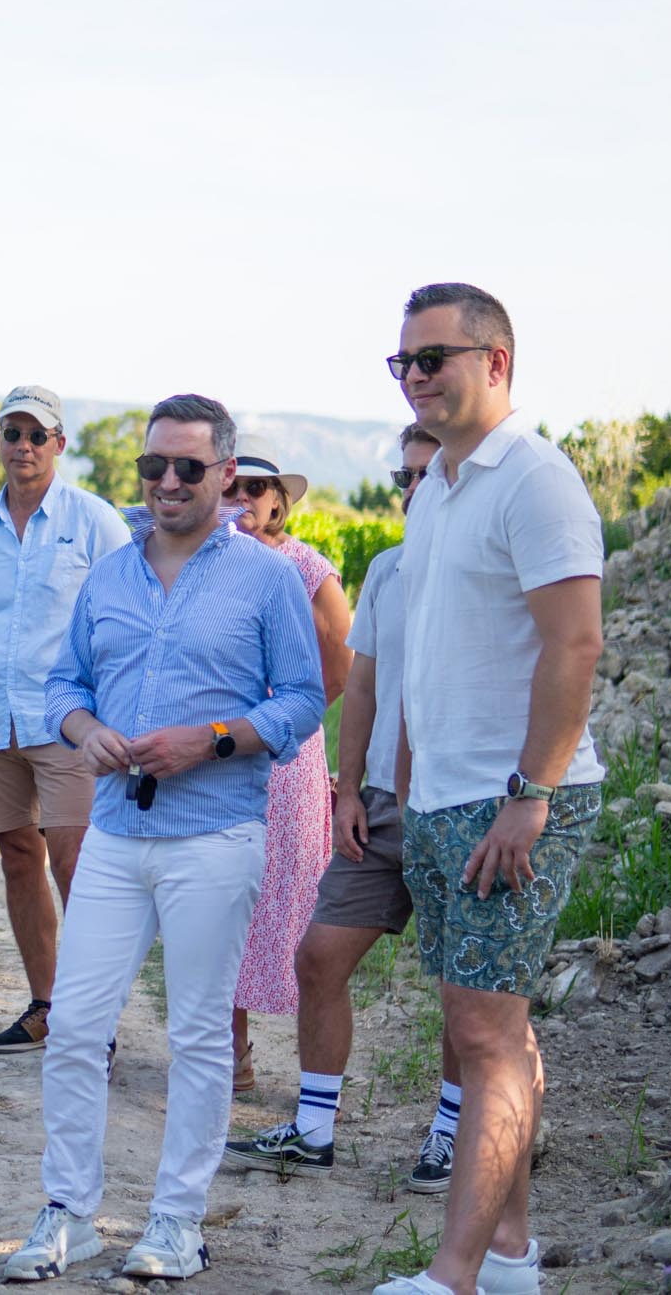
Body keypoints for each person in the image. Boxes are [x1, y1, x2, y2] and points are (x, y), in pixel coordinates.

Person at [2, 395, 324, 1283]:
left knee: (198, 1037)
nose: (169, 482)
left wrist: (212, 738)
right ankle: (69, 1211)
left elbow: (301, 698)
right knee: (73, 1028)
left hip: (214, 835)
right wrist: (82, 730)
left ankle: (177, 1220)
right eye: (154, 467)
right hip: (114, 832)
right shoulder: (109, 574)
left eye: (188, 466)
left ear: (227, 474)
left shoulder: (265, 579)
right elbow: (63, 681)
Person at [373, 285, 604, 1295]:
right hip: (440, 801)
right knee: (485, 1031)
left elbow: (575, 640)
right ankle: (508, 1257)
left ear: (495, 361)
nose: (417, 376)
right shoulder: (439, 486)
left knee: (483, 1037)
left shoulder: (534, 480)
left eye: (435, 357)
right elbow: (431, 648)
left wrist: (528, 793)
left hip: (509, 802)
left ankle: (452, 1275)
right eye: (403, 363)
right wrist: (407, 779)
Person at [225, 423, 466, 1192]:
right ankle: (316, 1126)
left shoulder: (492, 570)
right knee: (319, 956)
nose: (414, 491)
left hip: (467, 803)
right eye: (407, 477)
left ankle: (455, 1131)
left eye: (432, 475)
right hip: (384, 806)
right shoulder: (389, 571)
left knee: (465, 982)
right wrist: (349, 786)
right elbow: (359, 686)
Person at [0, 387, 130, 1052]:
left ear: (58, 443)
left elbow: (124, 617)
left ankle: (94, 1023)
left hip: (67, 720)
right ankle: (47, 1007)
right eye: (12, 432)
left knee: (75, 865)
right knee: (19, 858)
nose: (23, 446)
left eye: (36, 434)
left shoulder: (94, 520)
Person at [220, 436, 354, 1092]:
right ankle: (232, 1049)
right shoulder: (208, 561)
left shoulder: (307, 568)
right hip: (213, 746)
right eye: (232, 486)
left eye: (255, 488)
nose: (241, 498)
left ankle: (313, 1072)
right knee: (221, 890)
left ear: (278, 503)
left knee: (286, 894)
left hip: (285, 752)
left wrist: (285, 719)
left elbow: (340, 666)